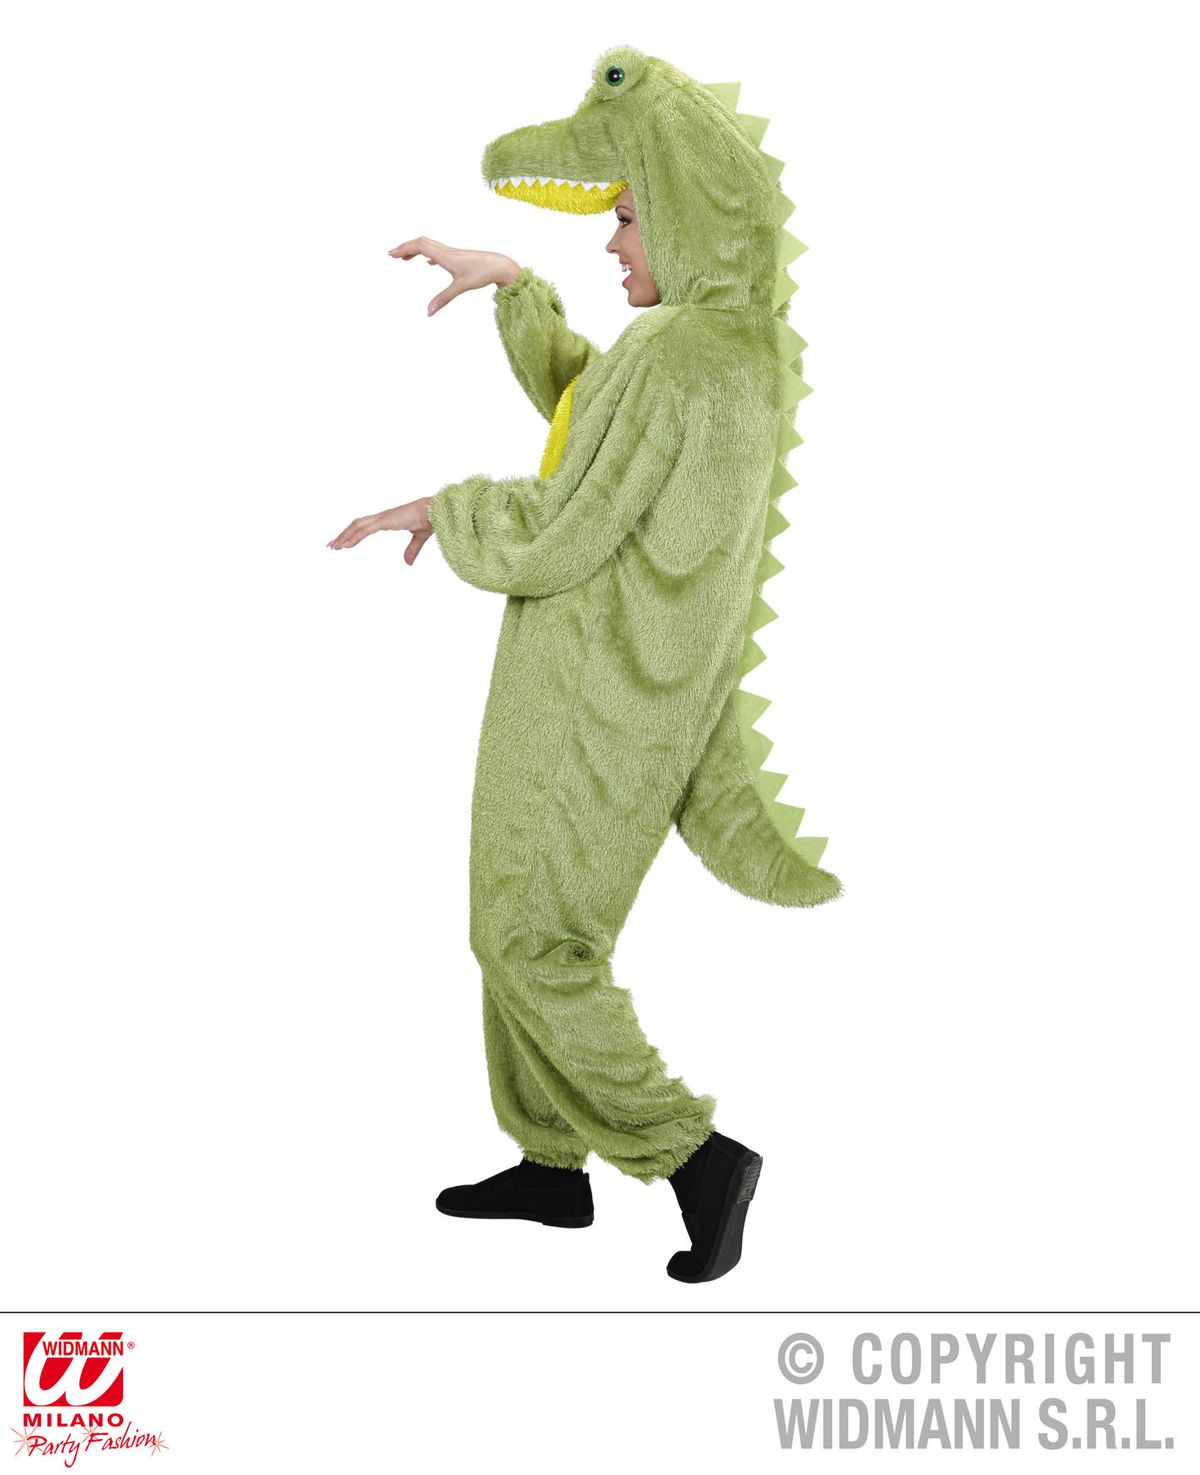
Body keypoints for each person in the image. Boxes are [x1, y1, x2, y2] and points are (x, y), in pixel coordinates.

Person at [328, 46, 842, 1283]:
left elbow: (567, 521)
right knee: (517, 923)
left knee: (530, 939)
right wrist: (515, 286)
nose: (614, 243)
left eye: (626, 218)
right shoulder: (710, 349)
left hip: (592, 700)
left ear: (680, 214)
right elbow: (596, 422)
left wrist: (442, 508)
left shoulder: (681, 355)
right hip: (605, 691)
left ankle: (693, 1156)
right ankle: (550, 1161)